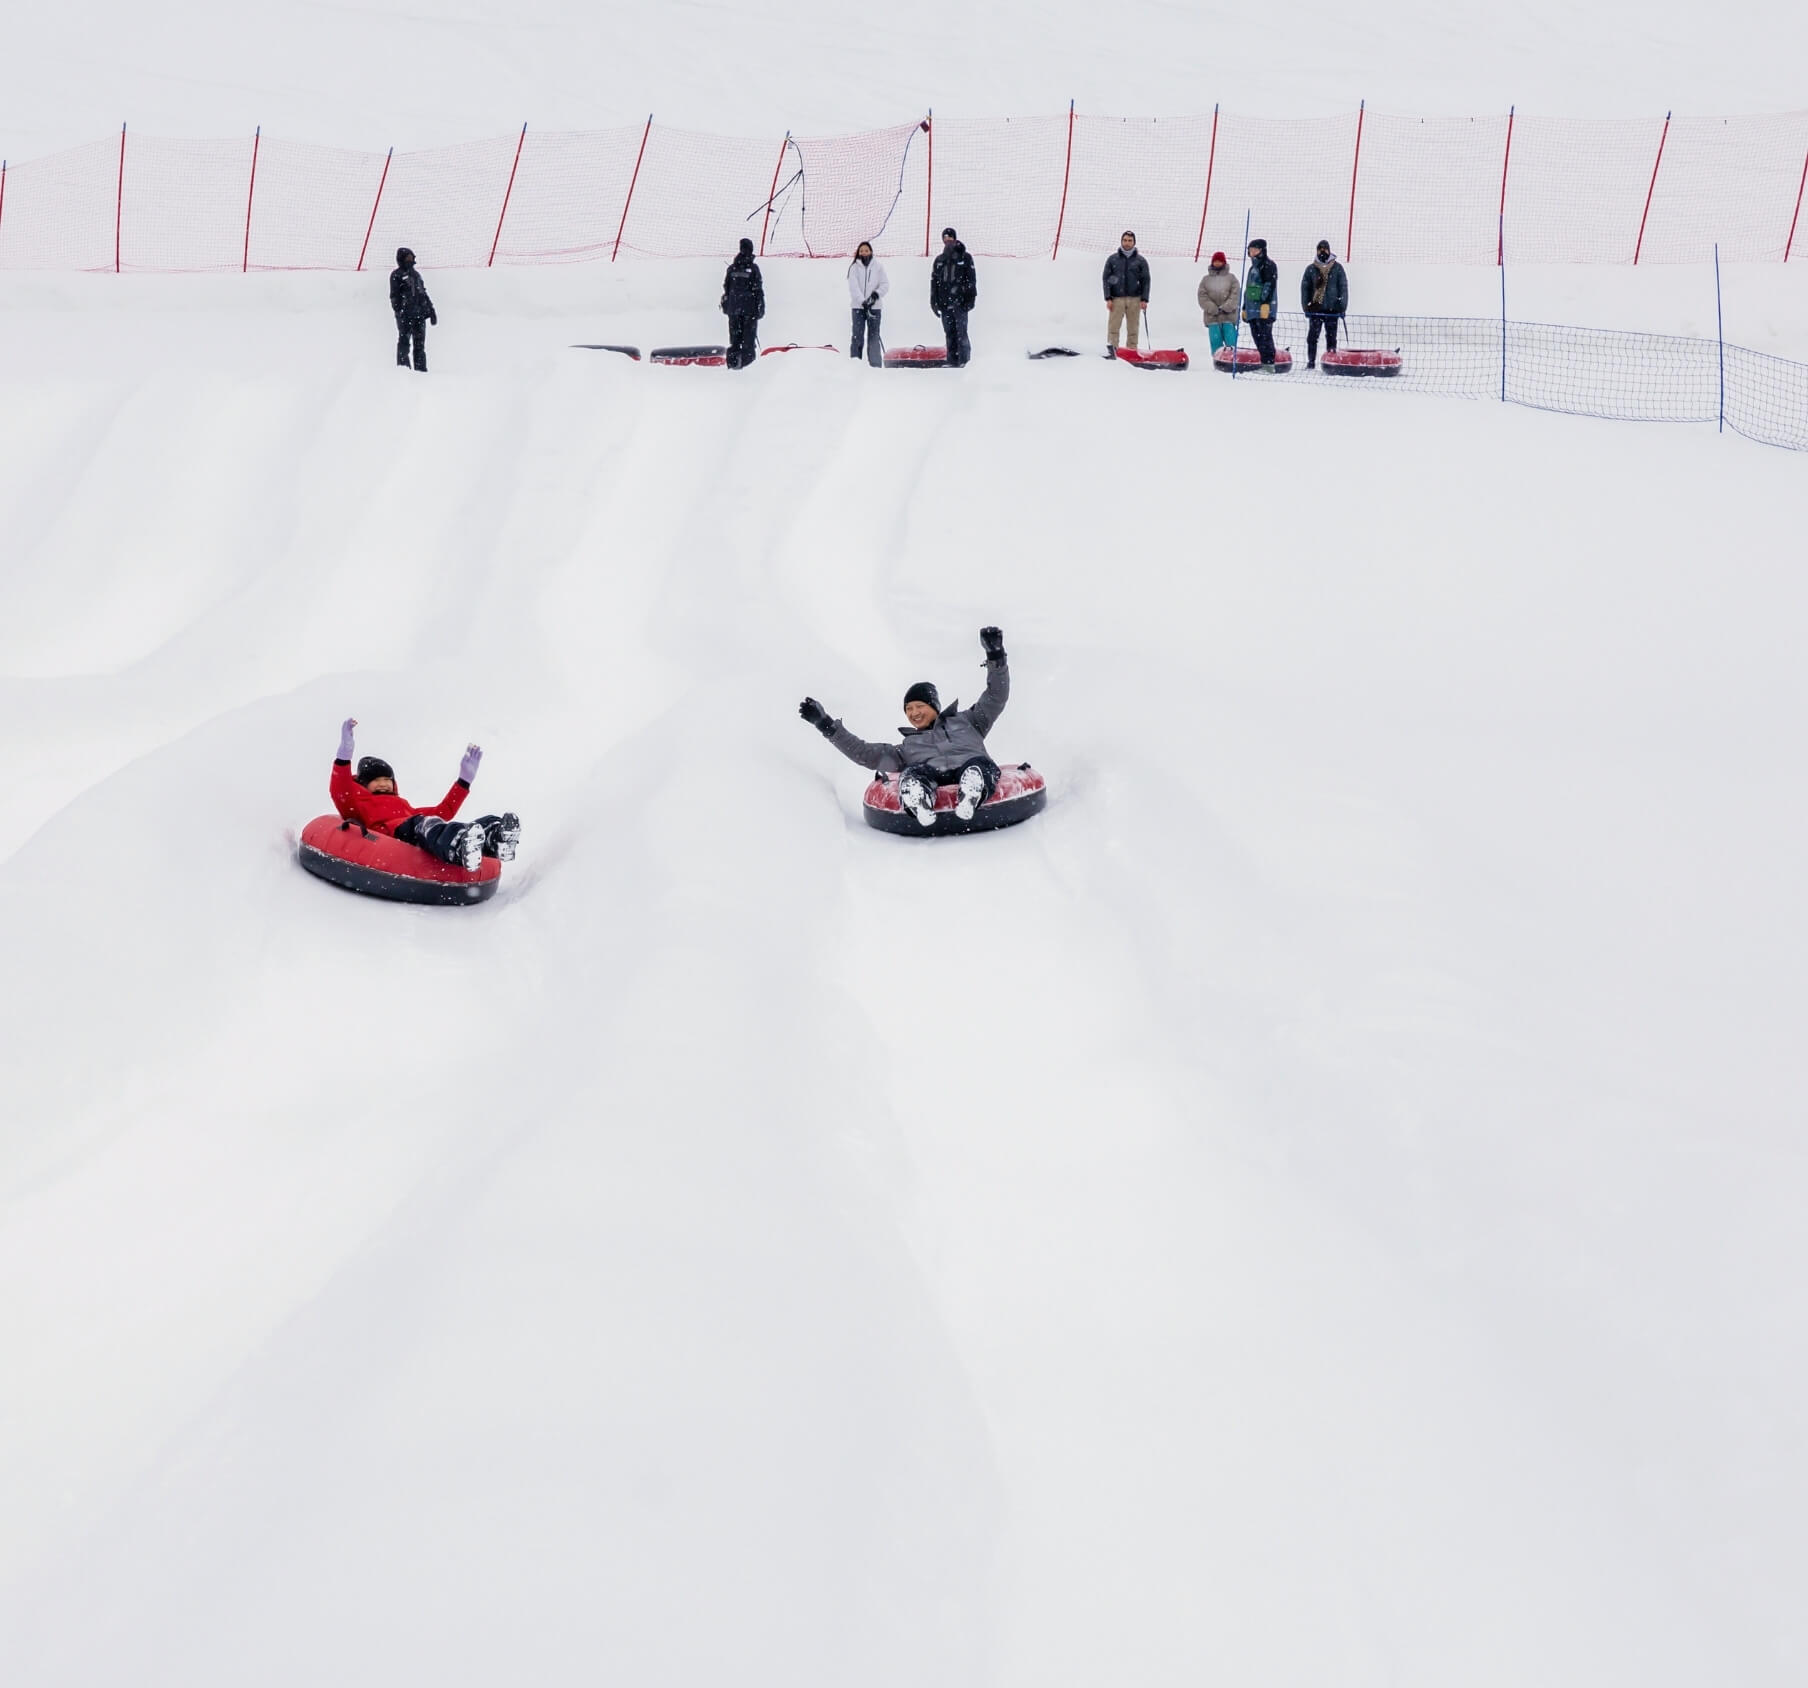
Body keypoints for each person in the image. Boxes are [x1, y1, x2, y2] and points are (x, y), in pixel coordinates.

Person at [798, 627, 1010, 828]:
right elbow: (863, 752)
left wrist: (995, 656)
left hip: (971, 765)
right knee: (912, 772)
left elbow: (995, 696)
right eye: (908, 709)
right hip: (931, 775)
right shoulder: (906, 748)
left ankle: (972, 790)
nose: (914, 713)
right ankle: (918, 799)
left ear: (934, 706)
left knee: (978, 765)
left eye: (919, 706)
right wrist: (824, 724)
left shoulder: (969, 721)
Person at [329, 718, 519, 872]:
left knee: (460, 823)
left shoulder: (404, 806)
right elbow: (340, 789)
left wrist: (464, 781)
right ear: (364, 784)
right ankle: (459, 846)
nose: (384, 783)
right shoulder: (359, 803)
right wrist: (344, 755)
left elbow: (442, 811)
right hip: (395, 834)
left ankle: (496, 837)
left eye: (388, 779)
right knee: (425, 824)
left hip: (415, 827)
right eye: (376, 780)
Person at [930, 227, 977, 366]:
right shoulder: (939, 260)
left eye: (950, 238)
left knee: (962, 333)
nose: (948, 241)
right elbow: (934, 282)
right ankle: (952, 360)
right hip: (945, 303)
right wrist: (933, 300)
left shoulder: (965, 257)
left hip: (960, 303)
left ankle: (965, 361)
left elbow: (971, 279)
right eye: (945, 238)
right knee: (949, 333)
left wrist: (970, 298)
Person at [1300, 239, 1349, 369]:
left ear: (1329, 250)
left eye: (1325, 249)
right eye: (1320, 249)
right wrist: (1306, 306)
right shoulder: (1310, 269)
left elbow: (1343, 287)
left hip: (1333, 309)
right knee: (1312, 338)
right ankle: (1311, 362)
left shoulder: (1337, 268)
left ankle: (1330, 362)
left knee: (1331, 337)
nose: (1323, 251)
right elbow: (1305, 289)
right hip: (1316, 307)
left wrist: (1342, 306)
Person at [1103, 230, 1151, 355]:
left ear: (1134, 242)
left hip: (1135, 299)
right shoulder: (1112, 259)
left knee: (1133, 329)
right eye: (1125, 240)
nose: (1127, 243)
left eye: (1130, 241)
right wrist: (1108, 298)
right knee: (1113, 328)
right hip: (1116, 299)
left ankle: (1131, 352)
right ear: (1121, 241)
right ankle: (1112, 351)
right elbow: (1106, 279)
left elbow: (1146, 280)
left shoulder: (1141, 261)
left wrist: (1144, 299)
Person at [389, 247, 436, 373]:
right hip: (405, 317)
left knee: (420, 346)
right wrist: (400, 311)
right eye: (408, 258)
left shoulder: (416, 275)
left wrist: (431, 310)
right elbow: (394, 296)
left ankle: (421, 371)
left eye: (412, 257)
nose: (410, 260)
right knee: (404, 343)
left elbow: (423, 293)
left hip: (419, 316)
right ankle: (403, 370)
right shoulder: (396, 275)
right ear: (401, 259)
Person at [721, 237, 765, 370]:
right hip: (749, 310)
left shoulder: (732, 268)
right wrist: (760, 307)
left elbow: (726, 288)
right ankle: (747, 366)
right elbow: (758, 289)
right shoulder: (753, 268)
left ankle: (733, 364)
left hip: (733, 309)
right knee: (748, 340)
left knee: (735, 339)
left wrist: (728, 305)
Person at [847, 240, 889, 367]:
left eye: (866, 250)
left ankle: (875, 365)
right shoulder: (853, 268)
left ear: (870, 251)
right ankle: (855, 363)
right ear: (858, 253)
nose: (864, 253)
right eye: (861, 251)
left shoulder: (878, 266)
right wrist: (862, 301)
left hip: (874, 308)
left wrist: (875, 296)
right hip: (858, 308)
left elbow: (885, 284)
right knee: (857, 335)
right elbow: (853, 287)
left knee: (873, 336)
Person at [1242, 237, 1280, 368]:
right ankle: (1265, 363)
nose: (1252, 252)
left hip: (1264, 309)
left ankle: (1269, 364)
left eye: (1255, 250)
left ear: (1261, 250)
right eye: (1250, 250)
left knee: (1265, 336)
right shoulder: (1252, 268)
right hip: (1253, 309)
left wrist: (1265, 303)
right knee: (1256, 336)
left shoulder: (1268, 265)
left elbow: (1270, 285)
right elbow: (1248, 289)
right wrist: (1245, 307)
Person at [1196, 250, 1239, 359]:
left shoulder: (1231, 278)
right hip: (1212, 317)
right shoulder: (1206, 280)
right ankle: (1218, 361)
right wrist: (1212, 308)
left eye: (1220, 261)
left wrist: (1226, 307)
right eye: (1215, 261)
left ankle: (1233, 360)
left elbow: (1235, 294)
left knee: (1231, 341)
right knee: (1215, 342)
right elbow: (1202, 296)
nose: (1217, 263)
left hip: (1228, 316)